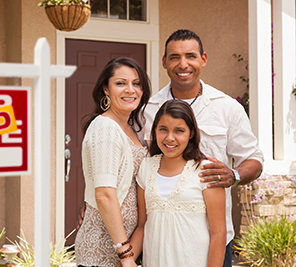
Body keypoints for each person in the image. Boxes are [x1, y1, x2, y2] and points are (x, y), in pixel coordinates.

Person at [140, 29, 264, 266]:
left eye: (191, 56)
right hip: (161, 240)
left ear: (203, 59)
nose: (182, 64)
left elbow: (254, 159)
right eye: (174, 57)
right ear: (164, 62)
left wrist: (234, 175)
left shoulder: (227, 108)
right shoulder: (149, 109)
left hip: (215, 237)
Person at [130, 99, 226, 266]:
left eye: (179, 131)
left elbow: (219, 234)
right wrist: (125, 260)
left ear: (191, 133)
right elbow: (142, 226)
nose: (170, 138)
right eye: (163, 130)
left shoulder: (206, 171)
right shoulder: (146, 167)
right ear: (154, 131)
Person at [75, 57, 151, 267]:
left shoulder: (131, 129)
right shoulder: (105, 127)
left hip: (126, 247)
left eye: (136, 83)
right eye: (120, 83)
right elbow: (105, 195)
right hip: (103, 250)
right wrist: (125, 255)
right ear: (106, 90)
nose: (130, 90)